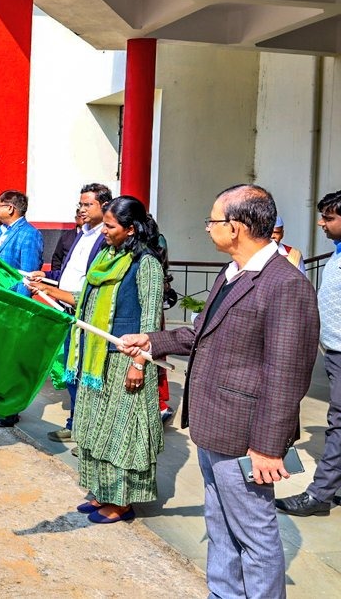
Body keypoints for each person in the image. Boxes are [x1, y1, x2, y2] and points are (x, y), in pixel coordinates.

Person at [120, 184, 319, 598]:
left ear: (237, 227)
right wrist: (152, 342)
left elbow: (288, 373)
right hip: (214, 424)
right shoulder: (233, 273)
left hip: (247, 436)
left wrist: (267, 447)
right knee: (221, 526)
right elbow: (201, 335)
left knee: (256, 536)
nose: (207, 228)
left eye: (213, 220)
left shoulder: (284, 284)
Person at [31, 196, 165, 523]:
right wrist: (48, 293)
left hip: (125, 360)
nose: (103, 230)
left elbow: (150, 319)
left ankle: (122, 501)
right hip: (95, 359)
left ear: (130, 229)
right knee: (95, 428)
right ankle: (102, 491)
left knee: (122, 434)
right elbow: (84, 299)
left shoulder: (145, 264)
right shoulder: (106, 256)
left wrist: (138, 363)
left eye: (110, 225)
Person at [27, 182, 112, 443]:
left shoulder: (105, 239)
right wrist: (48, 276)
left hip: (90, 314)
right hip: (68, 310)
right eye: (81, 205)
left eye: (88, 205)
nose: (82, 210)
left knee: (90, 375)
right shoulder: (82, 234)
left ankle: (89, 433)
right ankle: (76, 424)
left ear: (105, 206)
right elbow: (69, 273)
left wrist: (57, 292)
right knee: (72, 371)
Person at [276, 191, 341, 516]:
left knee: (339, 423)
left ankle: (320, 495)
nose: (321, 223)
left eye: (328, 218)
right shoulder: (337, 254)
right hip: (334, 353)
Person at [0, 190, 44, 427]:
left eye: (0, 206)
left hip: (11, 308)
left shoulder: (29, 235)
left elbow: (28, 277)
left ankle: (9, 408)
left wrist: (19, 310)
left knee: (9, 361)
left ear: (11, 209)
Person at [49, 208, 84, 274]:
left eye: (84, 216)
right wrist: (56, 275)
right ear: (76, 218)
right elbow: (57, 258)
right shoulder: (66, 236)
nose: (83, 218)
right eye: (80, 216)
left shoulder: (93, 236)